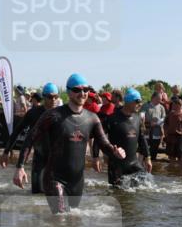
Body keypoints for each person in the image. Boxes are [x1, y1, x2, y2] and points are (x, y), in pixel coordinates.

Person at [14, 73, 125, 213]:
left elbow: (104, 143)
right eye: (77, 90)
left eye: (86, 90)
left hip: (77, 182)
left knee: (73, 224)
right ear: (68, 92)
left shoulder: (92, 118)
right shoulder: (53, 115)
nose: (83, 93)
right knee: (61, 219)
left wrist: (114, 151)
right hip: (54, 179)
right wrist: (20, 167)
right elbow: (30, 138)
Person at [2, 83, 59, 195]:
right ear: (43, 97)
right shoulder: (34, 113)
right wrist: (6, 151)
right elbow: (17, 132)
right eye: (50, 97)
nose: (53, 100)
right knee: (36, 195)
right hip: (39, 158)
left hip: (56, 160)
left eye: (56, 97)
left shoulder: (61, 114)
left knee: (55, 195)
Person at [103, 88, 152, 187]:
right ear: (129, 102)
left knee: (146, 184)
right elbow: (100, 138)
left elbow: (142, 139)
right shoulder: (112, 118)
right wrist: (96, 157)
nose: (140, 104)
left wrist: (148, 157)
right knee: (117, 195)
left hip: (133, 163)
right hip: (116, 166)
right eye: (137, 101)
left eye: (141, 102)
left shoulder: (138, 119)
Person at [141, 91, 165, 160]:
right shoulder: (145, 106)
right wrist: (148, 123)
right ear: (153, 98)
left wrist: (159, 122)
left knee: (154, 151)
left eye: (161, 99)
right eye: (159, 99)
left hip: (157, 132)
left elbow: (163, 118)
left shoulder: (161, 107)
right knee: (145, 151)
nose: (160, 100)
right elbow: (141, 117)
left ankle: (153, 167)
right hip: (147, 131)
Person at [164, 97, 182, 163]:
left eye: (174, 105)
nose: (173, 106)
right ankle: (171, 172)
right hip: (171, 136)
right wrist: (166, 133)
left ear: (179, 105)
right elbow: (166, 124)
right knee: (171, 156)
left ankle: (177, 172)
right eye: (173, 105)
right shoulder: (170, 113)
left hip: (180, 137)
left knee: (180, 156)